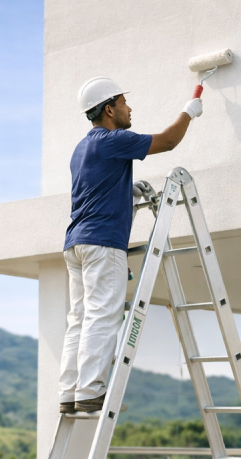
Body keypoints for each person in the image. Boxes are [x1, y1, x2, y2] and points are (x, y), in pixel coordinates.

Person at [59, 77, 202, 413]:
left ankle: (69, 393)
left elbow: (98, 189)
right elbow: (167, 142)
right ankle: (92, 391)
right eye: (124, 103)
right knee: (103, 315)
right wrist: (189, 111)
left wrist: (126, 190)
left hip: (76, 243)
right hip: (102, 242)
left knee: (79, 318)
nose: (129, 108)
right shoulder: (112, 140)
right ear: (109, 110)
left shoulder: (82, 148)